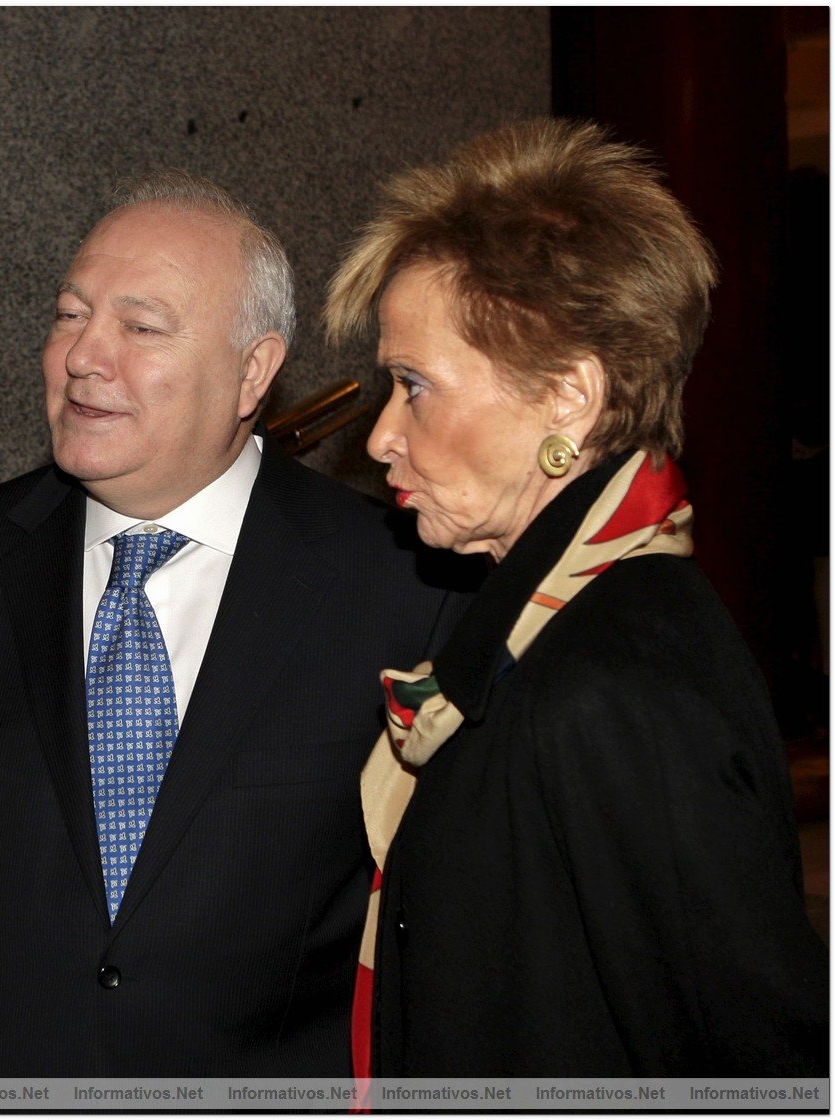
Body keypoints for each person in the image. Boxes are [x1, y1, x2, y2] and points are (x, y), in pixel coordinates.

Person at [0, 171, 467, 1075]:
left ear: (253, 372)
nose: (83, 356)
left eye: (140, 328)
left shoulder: (397, 582)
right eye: (71, 315)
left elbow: (452, 927)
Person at [325, 117, 828, 1076]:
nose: (383, 435)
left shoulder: (605, 684)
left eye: (412, 385)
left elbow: (753, 1060)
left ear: (567, 395)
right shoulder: (546, 627)